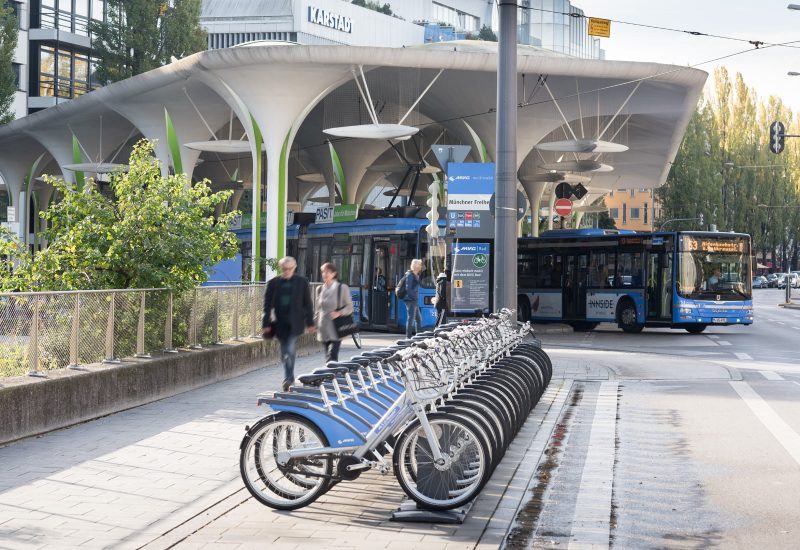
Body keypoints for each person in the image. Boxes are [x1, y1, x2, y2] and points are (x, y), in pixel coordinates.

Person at [262, 256, 315, 391]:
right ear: (281, 268)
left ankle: (289, 378)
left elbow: (307, 304)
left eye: (289, 269)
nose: (287, 271)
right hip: (279, 323)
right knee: (285, 351)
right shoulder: (273, 283)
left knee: (289, 349)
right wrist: (266, 323)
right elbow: (266, 306)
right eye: (284, 269)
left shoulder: (302, 282)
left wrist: (310, 323)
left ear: (294, 268)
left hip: (295, 324)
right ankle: (289, 374)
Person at [315, 262, 354, 363]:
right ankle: (332, 373)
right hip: (323, 327)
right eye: (323, 272)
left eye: (327, 272)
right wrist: (314, 323)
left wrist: (339, 312)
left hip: (337, 326)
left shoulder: (342, 288)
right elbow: (318, 309)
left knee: (332, 354)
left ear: (334, 274)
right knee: (328, 355)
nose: (324, 274)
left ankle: (331, 375)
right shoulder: (319, 289)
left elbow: (350, 307)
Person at [401, 259, 423, 338]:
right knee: (411, 319)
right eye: (420, 265)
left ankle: (418, 336)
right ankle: (408, 337)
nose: (421, 266)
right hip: (410, 300)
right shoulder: (410, 275)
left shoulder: (415, 275)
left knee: (418, 319)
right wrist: (413, 297)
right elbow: (408, 288)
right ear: (416, 266)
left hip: (414, 300)